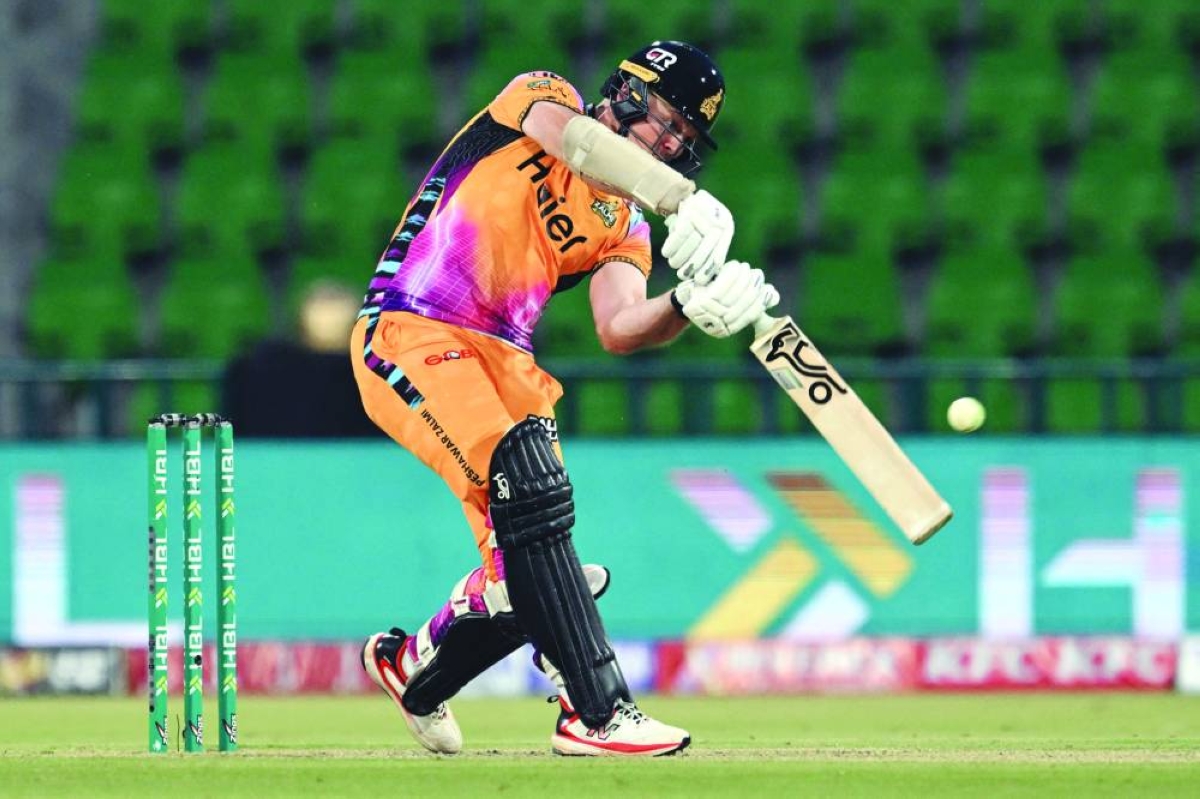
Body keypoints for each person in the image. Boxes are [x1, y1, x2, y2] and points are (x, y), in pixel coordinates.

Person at [350, 40, 779, 757]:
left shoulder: (623, 221)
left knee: (528, 575)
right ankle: (597, 711)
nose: (671, 146)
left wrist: (688, 302)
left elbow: (620, 326)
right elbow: (574, 140)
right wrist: (680, 198)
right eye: (667, 123)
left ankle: (411, 669)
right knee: (533, 495)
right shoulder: (542, 96)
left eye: (684, 142)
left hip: (508, 361)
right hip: (412, 325)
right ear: (631, 93)